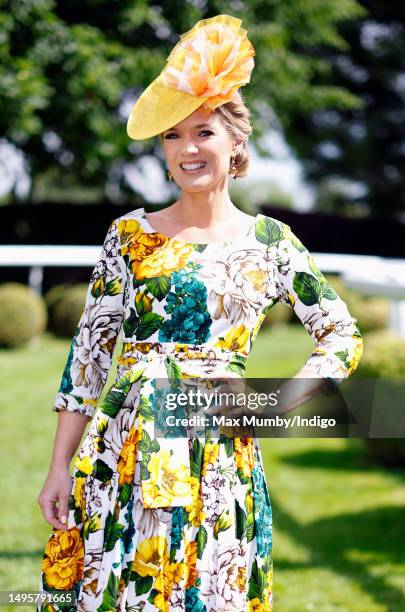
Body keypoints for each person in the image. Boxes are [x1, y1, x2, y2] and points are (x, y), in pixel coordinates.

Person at [36, 14, 363, 611]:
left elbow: (340, 334)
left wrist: (274, 403)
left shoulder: (271, 243)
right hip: (124, 451)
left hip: (218, 459)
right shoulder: (128, 236)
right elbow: (88, 357)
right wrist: (59, 466)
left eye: (204, 132)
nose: (188, 148)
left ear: (235, 142)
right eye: (173, 135)